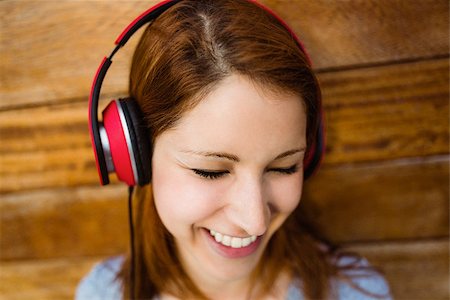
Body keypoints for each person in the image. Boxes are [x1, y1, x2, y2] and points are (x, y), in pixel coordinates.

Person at [77, 0, 392, 299]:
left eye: (284, 167)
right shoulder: (102, 294)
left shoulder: (356, 293)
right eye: (211, 172)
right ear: (136, 155)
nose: (254, 220)